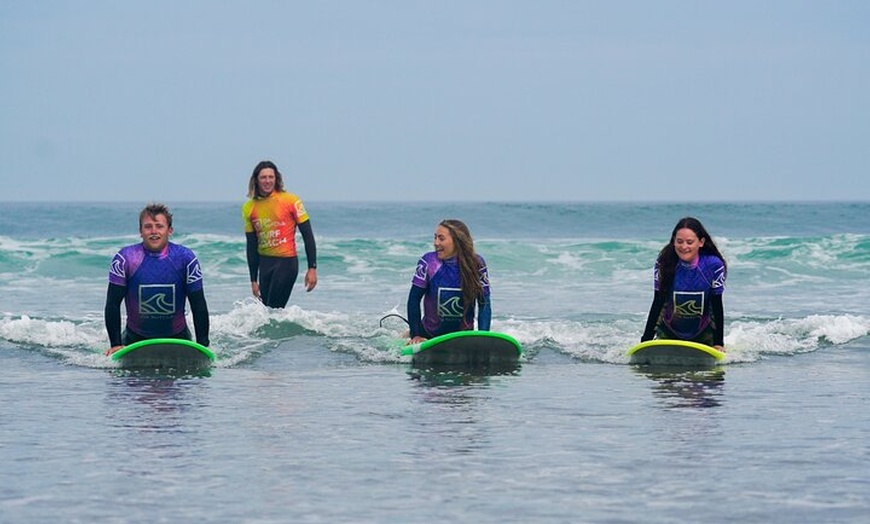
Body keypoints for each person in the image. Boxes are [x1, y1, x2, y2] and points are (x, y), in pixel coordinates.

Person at [104, 203, 210, 355]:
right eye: (148, 227)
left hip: (178, 338)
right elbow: (113, 303)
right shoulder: (125, 259)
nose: (154, 231)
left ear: (170, 230)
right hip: (134, 339)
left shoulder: (185, 259)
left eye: (159, 226)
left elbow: (198, 303)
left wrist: (203, 345)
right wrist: (115, 344)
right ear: (140, 231)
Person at [641, 217, 727, 351]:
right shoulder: (664, 263)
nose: (684, 247)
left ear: (701, 242)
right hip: (668, 332)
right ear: (673, 241)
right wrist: (645, 341)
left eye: (690, 242)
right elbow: (658, 302)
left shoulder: (713, 265)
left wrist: (718, 343)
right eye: (679, 241)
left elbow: (716, 304)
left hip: (703, 333)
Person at [242, 160, 318, 308]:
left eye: (271, 177)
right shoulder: (249, 207)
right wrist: (253, 280)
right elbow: (251, 245)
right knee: (266, 311)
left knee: (273, 309)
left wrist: (312, 268)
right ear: (256, 180)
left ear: (276, 179)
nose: (267, 181)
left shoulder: (291, 201)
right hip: (265, 264)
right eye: (263, 177)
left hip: (286, 262)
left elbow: (308, 235)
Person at [407, 219, 491, 344]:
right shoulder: (429, 262)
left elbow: (484, 303)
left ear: (457, 241)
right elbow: (414, 299)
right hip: (429, 336)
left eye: (441, 238)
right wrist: (416, 335)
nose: (436, 243)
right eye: (435, 238)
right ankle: (407, 333)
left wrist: (483, 337)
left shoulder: (476, 264)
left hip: (463, 337)